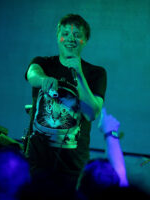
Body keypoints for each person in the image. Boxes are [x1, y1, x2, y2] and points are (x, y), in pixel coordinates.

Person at [24, 13, 107, 187]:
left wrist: (78, 73)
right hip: (37, 161)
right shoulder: (44, 63)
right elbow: (32, 74)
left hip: (72, 165)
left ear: (85, 40)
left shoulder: (96, 73)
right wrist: (43, 80)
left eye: (77, 35)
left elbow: (91, 112)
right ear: (58, 36)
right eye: (66, 34)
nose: (71, 38)